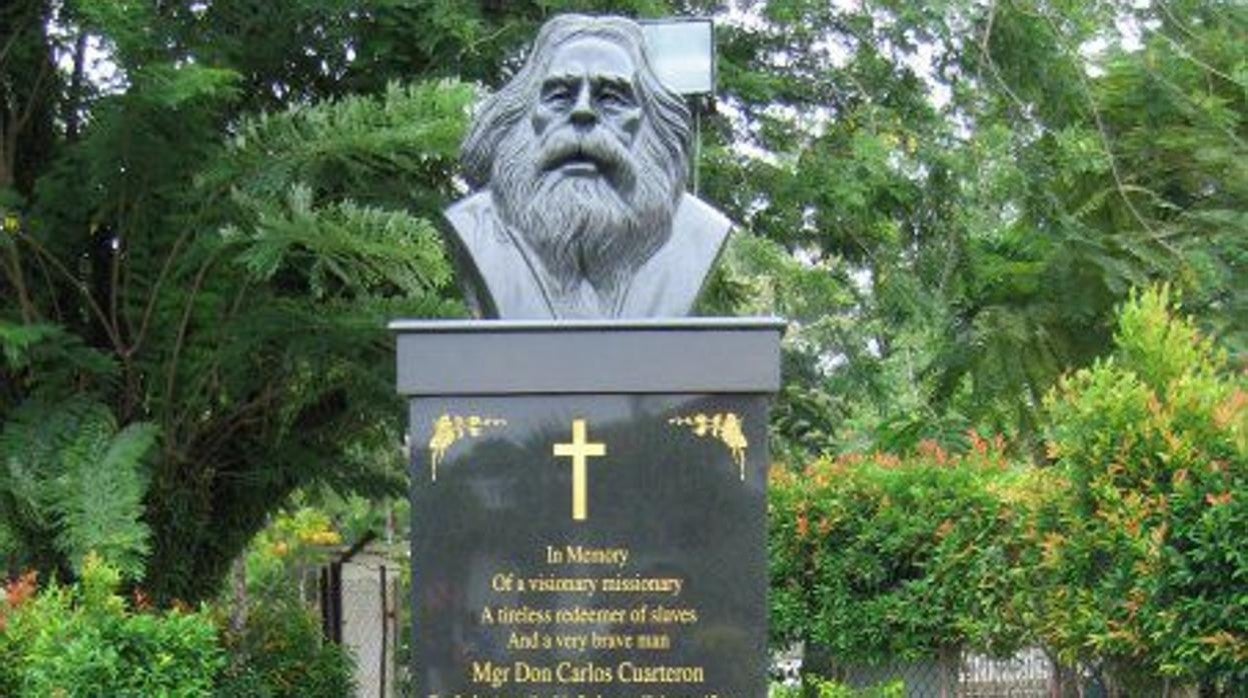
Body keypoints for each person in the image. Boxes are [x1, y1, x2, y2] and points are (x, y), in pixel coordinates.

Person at [444, 14, 732, 319]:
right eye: (559, 96)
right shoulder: (477, 225)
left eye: (611, 98)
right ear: (526, 114)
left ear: (649, 120)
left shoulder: (696, 233)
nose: (583, 111)